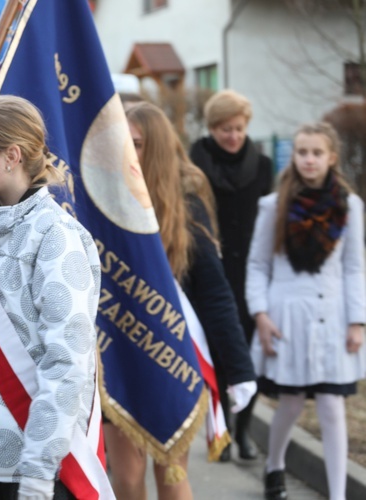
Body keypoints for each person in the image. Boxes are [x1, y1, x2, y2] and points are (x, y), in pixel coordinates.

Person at [0, 96, 112, 500]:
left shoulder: (57, 237)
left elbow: (67, 364)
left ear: (11, 155)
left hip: (32, 474)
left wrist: (37, 472)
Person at [104, 102, 256, 500]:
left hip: (172, 353)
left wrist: (239, 368)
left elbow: (215, 294)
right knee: (128, 477)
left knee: (172, 473)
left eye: (135, 144)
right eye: (121, 142)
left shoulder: (187, 208)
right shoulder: (100, 202)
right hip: (117, 353)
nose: (126, 152)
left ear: (154, 149)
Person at [246, 122, 365, 500]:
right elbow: (258, 265)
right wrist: (261, 315)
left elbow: (354, 266)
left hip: (333, 318)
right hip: (286, 319)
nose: (309, 160)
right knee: (292, 402)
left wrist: (358, 320)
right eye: (302, 152)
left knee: (331, 405)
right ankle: (274, 464)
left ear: (331, 157)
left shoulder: (350, 206)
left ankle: (337, 493)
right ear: (293, 157)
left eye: (316, 153)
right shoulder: (273, 205)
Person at [189, 89, 274, 461]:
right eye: (225, 128)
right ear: (212, 128)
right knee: (217, 353)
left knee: (246, 353)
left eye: (238, 128)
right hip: (209, 269)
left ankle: (243, 433)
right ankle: (220, 430)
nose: (233, 136)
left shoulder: (263, 165)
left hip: (251, 272)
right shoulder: (197, 161)